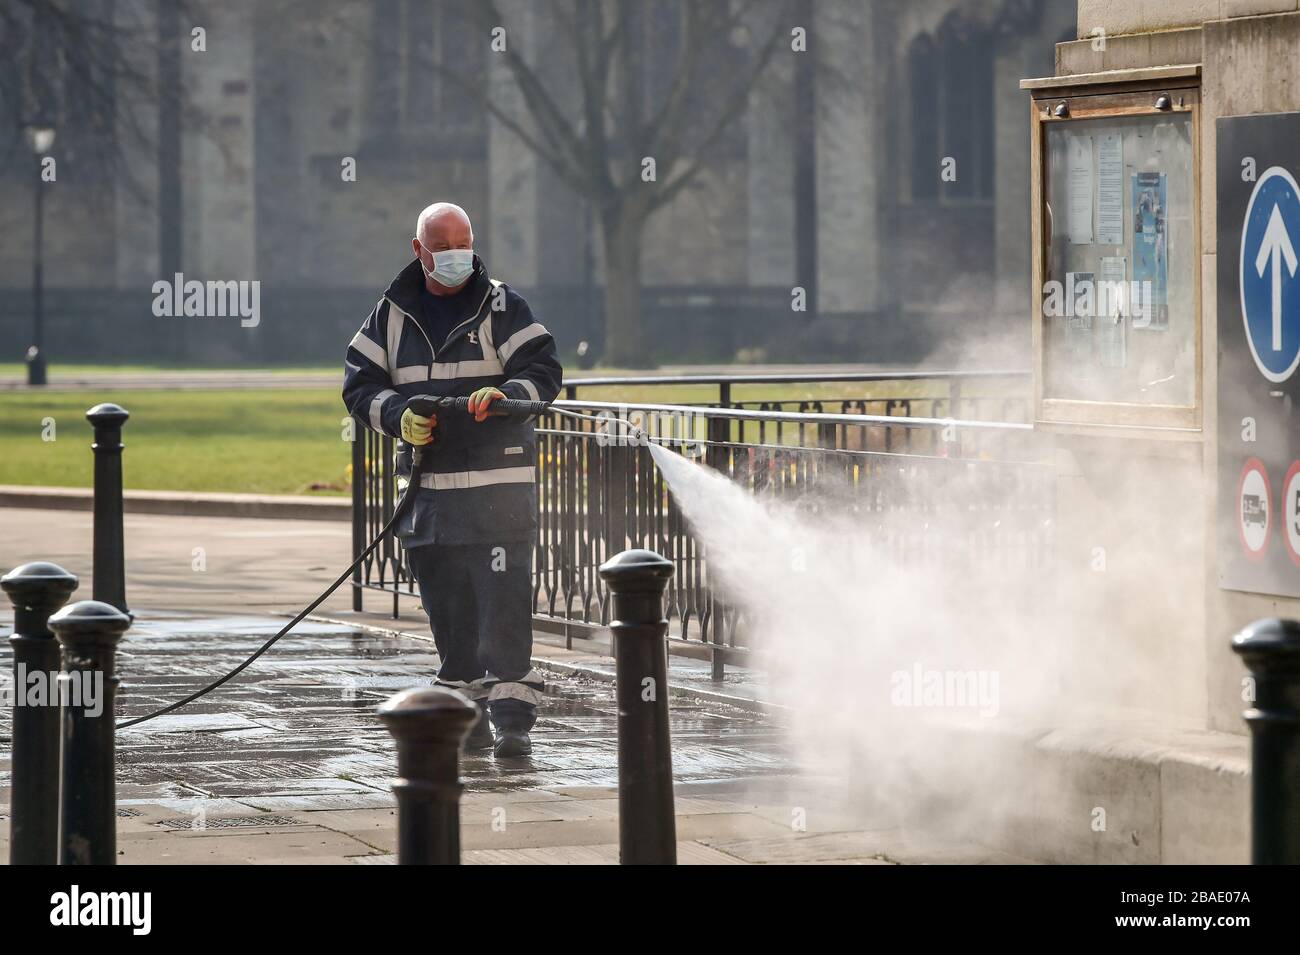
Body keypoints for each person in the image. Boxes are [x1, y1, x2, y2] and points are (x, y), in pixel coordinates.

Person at [342, 202, 562, 757]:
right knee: (450, 615)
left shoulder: (501, 306)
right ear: (419, 251)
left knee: (504, 611)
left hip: (499, 499)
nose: (456, 258)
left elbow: (543, 373)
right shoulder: (391, 316)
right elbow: (359, 386)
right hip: (431, 503)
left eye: (464, 244)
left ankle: (513, 720)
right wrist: (398, 416)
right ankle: (463, 714)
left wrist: (507, 398)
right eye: (443, 248)